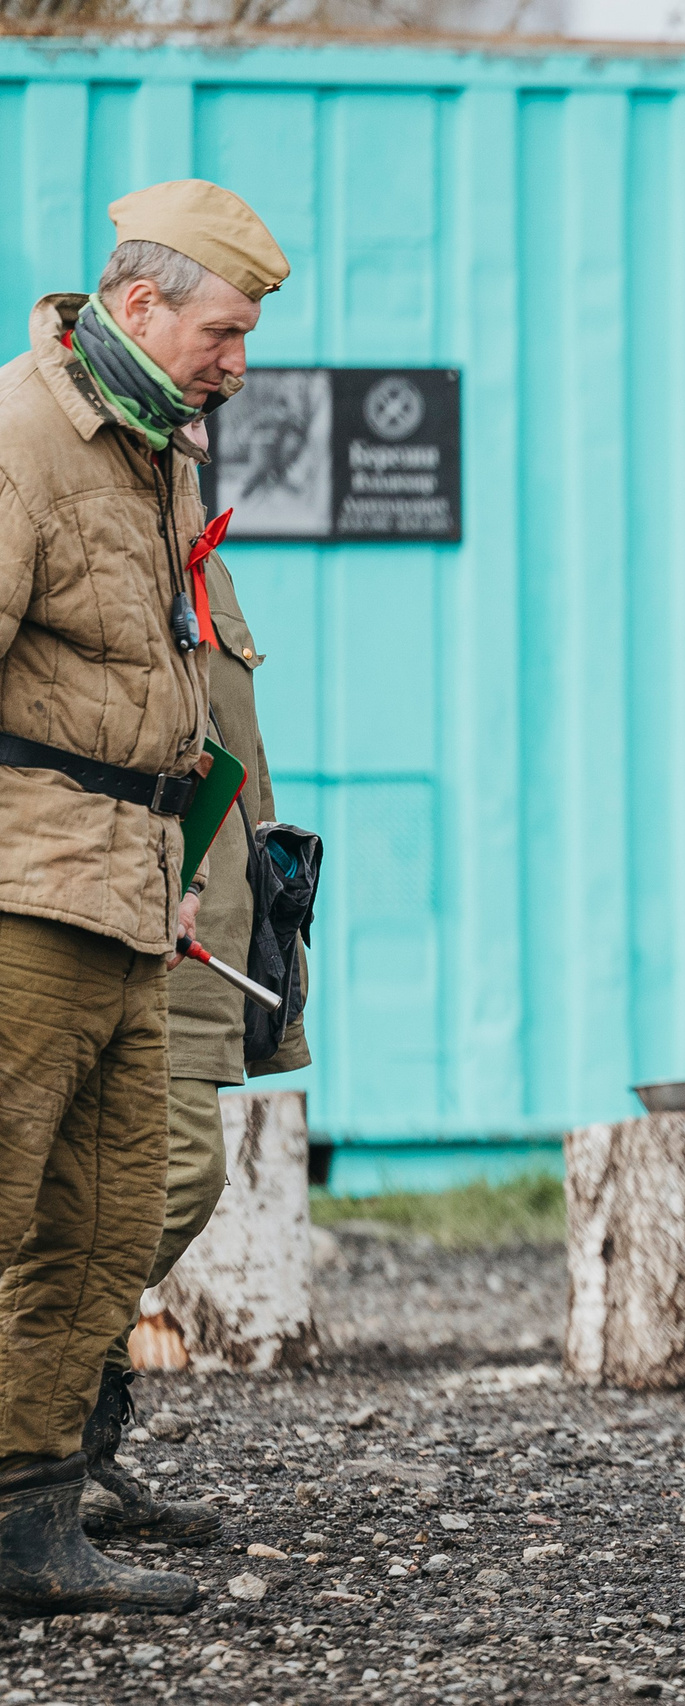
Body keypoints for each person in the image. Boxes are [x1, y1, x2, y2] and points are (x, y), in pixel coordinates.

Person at [0, 178, 290, 1612]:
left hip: (128, 893)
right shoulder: (20, 445)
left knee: (104, 1219)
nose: (238, 363)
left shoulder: (148, 448)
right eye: (224, 332)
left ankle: (29, 1527)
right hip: (28, 898)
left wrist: (176, 867)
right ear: (138, 305)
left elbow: (161, 691)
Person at [82, 523, 312, 1549]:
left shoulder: (201, 552)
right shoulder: (86, 519)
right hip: (130, 905)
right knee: (153, 1174)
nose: (225, 382)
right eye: (212, 349)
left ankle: (56, 1443)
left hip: (214, 918)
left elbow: (230, 746)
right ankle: (37, 1432)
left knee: (173, 1176)